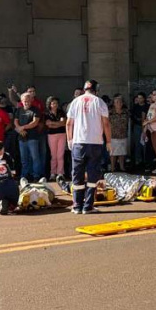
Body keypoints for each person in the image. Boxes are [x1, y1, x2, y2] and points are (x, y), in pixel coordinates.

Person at [66, 80, 111, 214]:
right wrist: (109, 141)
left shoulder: (75, 102)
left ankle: (77, 205)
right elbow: (106, 123)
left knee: (77, 174)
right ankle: (88, 206)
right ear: (96, 89)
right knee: (93, 174)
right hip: (95, 142)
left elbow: (69, 123)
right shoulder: (100, 102)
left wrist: (70, 140)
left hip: (78, 142)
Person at [14, 92, 43, 182]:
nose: (27, 102)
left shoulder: (36, 110)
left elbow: (35, 122)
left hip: (32, 137)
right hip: (21, 138)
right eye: (25, 101)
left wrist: (22, 127)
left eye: (28, 100)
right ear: (22, 101)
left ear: (31, 100)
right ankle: (24, 175)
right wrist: (20, 129)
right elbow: (15, 121)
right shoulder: (19, 110)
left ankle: (36, 175)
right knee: (24, 159)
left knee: (35, 158)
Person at [44, 96, 67, 182]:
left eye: (56, 103)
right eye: (53, 103)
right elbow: (48, 125)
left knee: (60, 155)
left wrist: (53, 123)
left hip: (62, 134)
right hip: (51, 135)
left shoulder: (61, 112)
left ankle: (60, 173)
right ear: (49, 104)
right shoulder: (47, 114)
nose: (55, 105)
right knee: (53, 155)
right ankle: (53, 173)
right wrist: (58, 124)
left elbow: (63, 123)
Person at [106, 94, 129, 173]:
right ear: (114, 103)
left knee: (122, 152)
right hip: (113, 135)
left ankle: (122, 167)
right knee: (113, 153)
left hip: (123, 135)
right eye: (117, 102)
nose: (119, 103)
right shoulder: (110, 113)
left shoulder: (126, 112)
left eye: (120, 102)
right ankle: (112, 168)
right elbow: (106, 123)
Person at [130, 92, 148, 168]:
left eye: (141, 98)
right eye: (138, 98)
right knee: (137, 143)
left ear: (144, 98)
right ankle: (138, 159)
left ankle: (145, 159)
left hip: (146, 126)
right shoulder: (135, 106)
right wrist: (137, 119)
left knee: (145, 143)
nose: (139, 99)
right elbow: (132, 115)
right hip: (137, 126)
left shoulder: (147, 106)